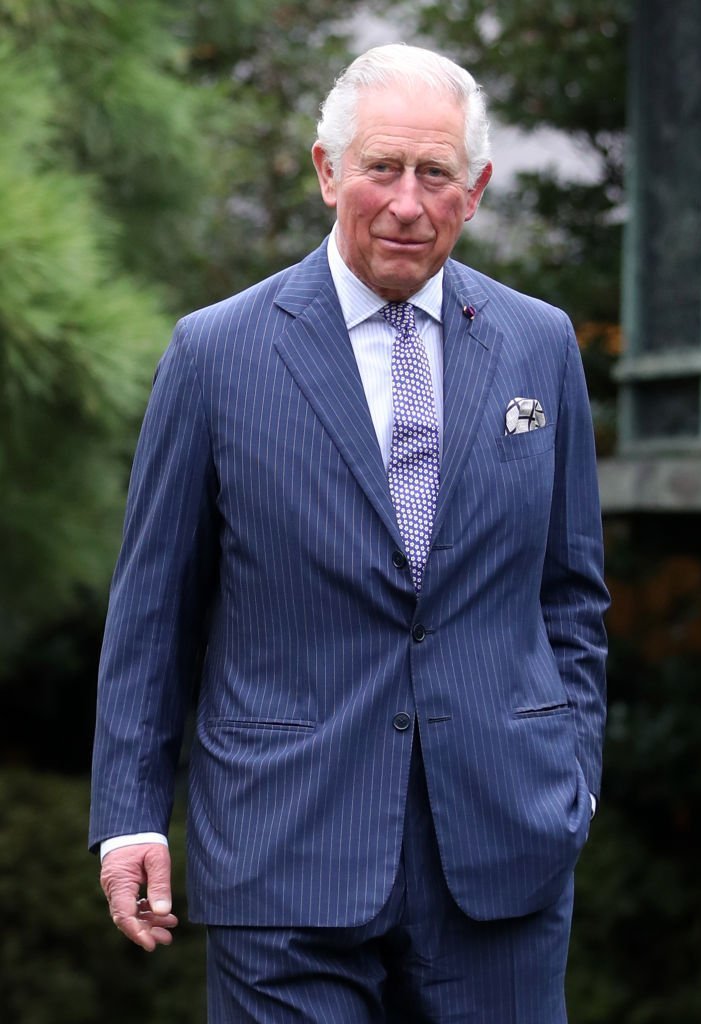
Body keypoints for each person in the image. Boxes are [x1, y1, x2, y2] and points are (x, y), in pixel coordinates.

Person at [90, 42, 608, 1023]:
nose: (406, 202)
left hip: (503, 846)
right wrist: (127, 817)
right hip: (283, 849)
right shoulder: (216, 354)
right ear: (328, 172)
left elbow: (569, 592)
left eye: (434, 174)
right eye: (380, 169)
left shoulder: (540, 345)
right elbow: (153, 609)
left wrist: (568, 776)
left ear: (477, 189)